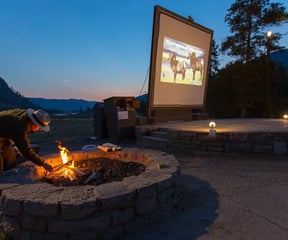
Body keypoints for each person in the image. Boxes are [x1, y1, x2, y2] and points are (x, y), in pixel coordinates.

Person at [0, 108, 54, 173]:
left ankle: (7, 173)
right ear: (34, 123)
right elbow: (27, 151)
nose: (40, 130)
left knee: (10, 157)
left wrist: (19, 146)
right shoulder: (21, 128)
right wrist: (43, 163)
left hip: (2, 136)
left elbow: (10, 128)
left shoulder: (25, 116)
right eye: (40, 127)